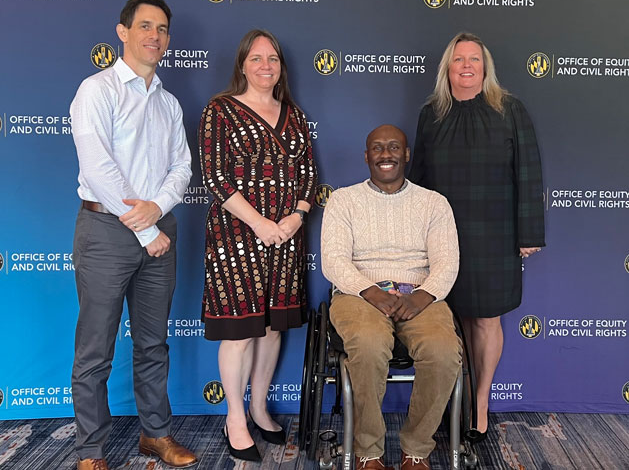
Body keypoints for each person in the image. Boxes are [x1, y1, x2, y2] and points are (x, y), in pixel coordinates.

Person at [70, 0, 197, 470]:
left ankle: (155, 435)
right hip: (106, 232)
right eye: (145, 26)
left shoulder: (168, 102)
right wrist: (147, 231)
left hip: (159, 231)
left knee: (152, 343)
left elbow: (182, 168)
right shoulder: (97, 90)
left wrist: (158, 209)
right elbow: (100, 168)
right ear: (123, 32)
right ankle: (90, 452)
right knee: (95, 349)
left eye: (162, 29)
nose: (155, 36)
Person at [408, 32, 545, 441]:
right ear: (447, 68)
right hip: (444, 236)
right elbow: (418, 183)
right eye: (458, 60)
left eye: (474, 60)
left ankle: (480, 403)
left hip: (496, 232)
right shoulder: (431, 114)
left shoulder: (510, 110)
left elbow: (528, 172)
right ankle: (464, 397)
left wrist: (529, 232)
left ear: (485, 68)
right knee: (458, 319)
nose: (466, 66)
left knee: (486, 319)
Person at [198, 29, 317, 461]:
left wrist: (294, 217)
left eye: (273, 58)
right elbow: (214, 176)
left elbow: (308, 175)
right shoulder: (221, 110)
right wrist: (260, 223)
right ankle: (234, 417)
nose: (265, 66)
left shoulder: (295, 115)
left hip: (286, 237)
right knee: (242, 331)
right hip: (237, 237)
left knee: (271, 328)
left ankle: (259, 406)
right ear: (242, 65)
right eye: (256, 58)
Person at [321, 124, 462, 470]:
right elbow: (333, 260)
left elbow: (447, 261)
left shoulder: (433, 203)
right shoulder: (343, 200)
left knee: (444, 352)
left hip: (420, 295)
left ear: (407, 154)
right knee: (368, 345)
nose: (386, 155)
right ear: (366, 156)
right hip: (359, 293)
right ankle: (369, 451)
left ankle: (416, 449)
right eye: (378, 148)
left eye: (394, 148)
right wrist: (370, 291)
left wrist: (423, 295)